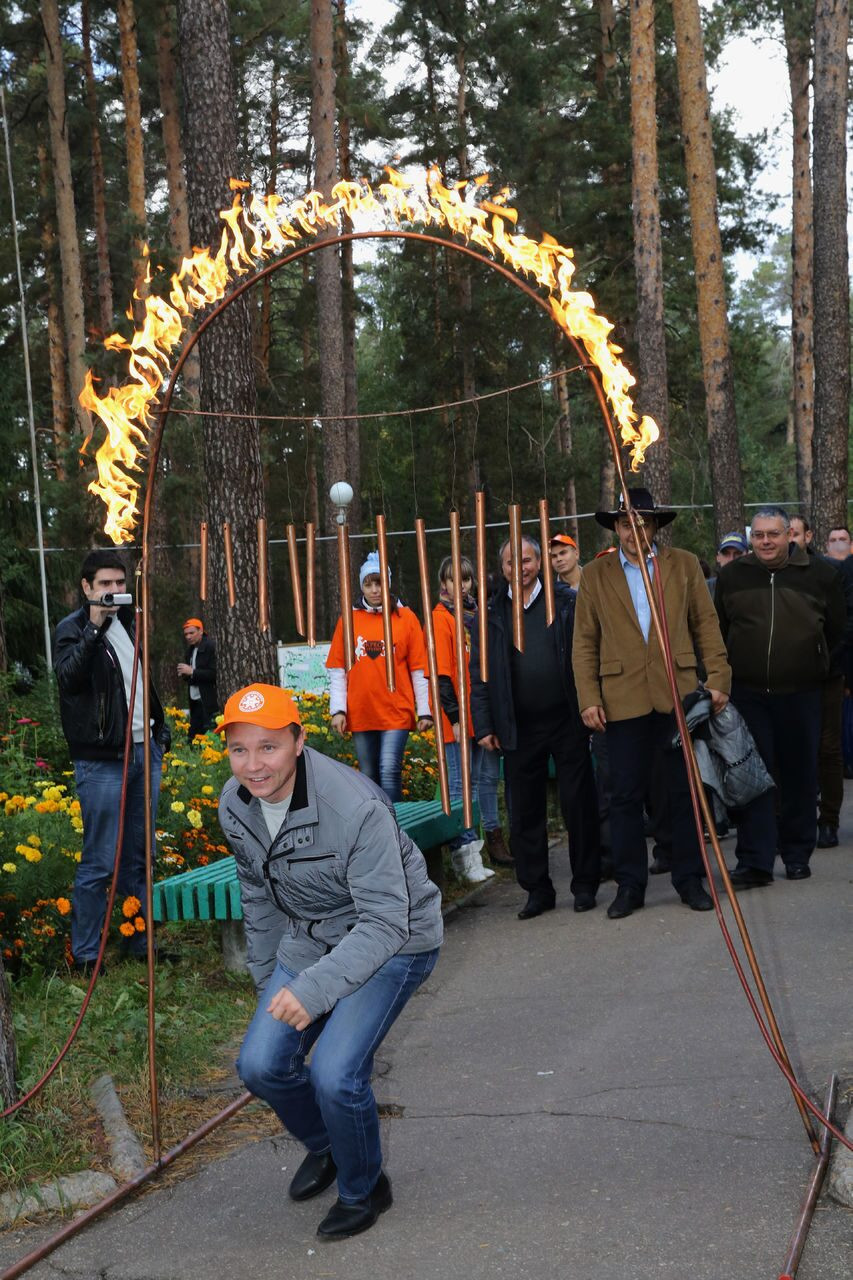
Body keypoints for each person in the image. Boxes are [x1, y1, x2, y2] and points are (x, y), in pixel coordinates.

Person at [218, 684, 442, 1241]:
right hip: (310, 940)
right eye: (240, 750)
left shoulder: (355, 806)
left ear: (298, 740)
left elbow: (387, 922)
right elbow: (259, 894)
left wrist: (313, 991)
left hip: (396, 940)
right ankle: (330, 1146)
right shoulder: (234, 804)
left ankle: (365, 1186)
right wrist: (269, 979)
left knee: (335, 1074)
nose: (254, 765)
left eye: (268, 747)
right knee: (260, 1066)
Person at [573, 488, 731, 919]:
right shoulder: (594, 574)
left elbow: (706, 624)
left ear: (655, 525)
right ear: (616, 528)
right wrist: (588, 697)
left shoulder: (682, 566)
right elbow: (584, 642)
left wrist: (718, 677)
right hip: (620, 701)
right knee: (623, 796)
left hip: (675, 697)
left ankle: (689, 878)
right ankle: (630, 884)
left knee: (683, 793)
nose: (633, 531)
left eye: (641, 522)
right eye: (625, 523)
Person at [470, 534, 601, 919]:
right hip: (518, 725)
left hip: (567, 718)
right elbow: (480, 675)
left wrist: (591, 703)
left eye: (526, 560)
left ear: (538, 562)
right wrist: (484, 723)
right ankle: (537, 889)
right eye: (512, 563)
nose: (520, 569)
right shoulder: (490, 613)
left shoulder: (565, 602)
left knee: (579, 804)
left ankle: (585, 884)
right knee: (525, 811)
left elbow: (587, 653)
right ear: (503, 568)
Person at [53, 549, 171, 974]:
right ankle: (86, 955)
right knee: (101, 859)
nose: (114, 591)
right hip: (103, 760)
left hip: (144, 752)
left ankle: (140, 942)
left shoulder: (130, 624)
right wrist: (95, 628)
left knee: (141, 855)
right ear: (86, 588)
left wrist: (159, 725)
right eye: (104, 584)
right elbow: (69, 679)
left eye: (119, 584)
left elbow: (137, 680)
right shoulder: (73, 628)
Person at [715, 506, 845, 886]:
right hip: (749, 693)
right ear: (751, 538)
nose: (766, 542)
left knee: (799, 774)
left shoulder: (821, 574)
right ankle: (755, 860)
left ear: (789, 534)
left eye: (773, 534)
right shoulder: (733, 576)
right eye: (759, 535)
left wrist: (815, 662)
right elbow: (721, 628)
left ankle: (796, 853)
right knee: (753, 778)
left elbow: (835, 629)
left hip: (801, 692)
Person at [428, 554, 511, 882]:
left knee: (475, 784)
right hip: (457, 716)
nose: (459, 585)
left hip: (477, 712)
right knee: (460, 784)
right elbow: (442, 674)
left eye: (464, 579)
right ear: (442, 584)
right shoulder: (440, 618)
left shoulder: (475, 614)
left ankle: (473, 853)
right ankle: (464, 855)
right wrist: (455, 717)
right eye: (452, 580)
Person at [326, 552, 432, 802]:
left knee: (389, 769)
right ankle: (375, 834)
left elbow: (419, 669)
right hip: (362, 711)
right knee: (368, 775)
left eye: (379, 583)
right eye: (369, 584)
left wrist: (425, 710)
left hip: (396, 710)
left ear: (388, 584)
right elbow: (337, 669)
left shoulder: (406, 618)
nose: (374, 590)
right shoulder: (349, 620)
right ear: (362, 586)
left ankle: (394, 832)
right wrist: (338, 710)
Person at [177, 617, 219, 739]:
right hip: (195, 700)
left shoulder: (210, 647)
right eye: (186, 634)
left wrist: (192, 672)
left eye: (191, 633)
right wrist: (185, 674)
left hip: (208, 700)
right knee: (193, 737)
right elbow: (193, 677)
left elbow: (214, 674)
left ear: (201, 631)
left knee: (209, 734)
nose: (188, 637)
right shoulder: (190, 650)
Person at [706, 531, 748, 600]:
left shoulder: (759, 587)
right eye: (726, 553)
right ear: (718, 557)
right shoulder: (706, 588)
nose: (731, 559)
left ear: (748, 556)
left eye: (737, 553)